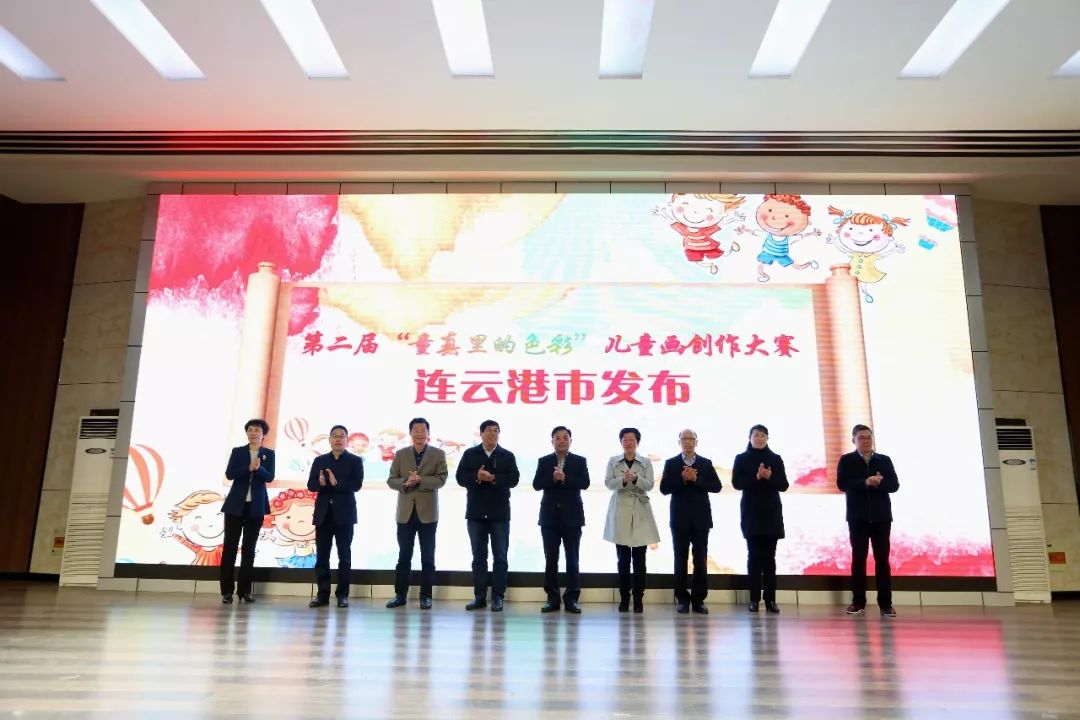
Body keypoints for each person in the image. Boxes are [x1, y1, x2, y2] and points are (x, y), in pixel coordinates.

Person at [455, 420, 520, 612]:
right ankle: (480, 597)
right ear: (481, 433)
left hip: (500, 514)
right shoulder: (470, 454)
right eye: (489, 431)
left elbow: (514, 479)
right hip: (476, 514)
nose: (493, 434)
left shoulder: (507, 455)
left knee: (500, 557)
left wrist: (493, 478)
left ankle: (498, 597)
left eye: (496, 431)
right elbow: (460, 478)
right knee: (478, 557)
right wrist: (477, 477)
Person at [837, 424, 900, 617]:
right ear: (853, 440)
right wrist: (865, 482)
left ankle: (886, 604)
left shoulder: (884, 460)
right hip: (858, 518)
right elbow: (842, 484)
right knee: (858, 560)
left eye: (868, 437)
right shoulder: (846, 460)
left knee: (882, 561)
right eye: (861, 438)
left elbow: (894, 485)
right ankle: (858, 602)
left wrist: (880, 483)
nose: (866, 441)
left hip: (881, 518)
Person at [386, 417, 448, 610]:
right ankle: (400, 595)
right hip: (405, 513)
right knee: (404, 556)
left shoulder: (438, 454)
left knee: (428, 557)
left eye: (423, 430)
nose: (420, 433)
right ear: (410, 433)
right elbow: (391, 480)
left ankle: (426, 596)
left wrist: (421, 480)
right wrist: (405, 483)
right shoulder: (401, 454)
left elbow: (441, 479)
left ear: (428, 433)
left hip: (428, 513)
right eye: (416, 430)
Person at [660, 429, 722, 614]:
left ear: (696, 442)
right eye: (684, 439)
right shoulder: (671, 463)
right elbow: (664, 488)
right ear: (679, 442)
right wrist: (682, 478)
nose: (687, 442)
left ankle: (698, 600)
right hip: (679, 519)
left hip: (701, 519)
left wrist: (696, 479)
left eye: (691, 439)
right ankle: (682, 599)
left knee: (700, 560)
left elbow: (716, 486)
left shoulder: (705, 463)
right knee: (680, 559)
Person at [731, 424, 789, 614]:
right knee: (754, 558)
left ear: (767, 438)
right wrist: (756, 476)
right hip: (752, 514)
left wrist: (770, 476)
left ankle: (771, 600)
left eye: (763, 435)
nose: (759, 438)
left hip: (771, 514)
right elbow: (737, 483)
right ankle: (754, 600)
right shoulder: (741, 458)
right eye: (756, 435)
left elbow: (784, 485)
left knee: (770, 559)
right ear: (750, 438)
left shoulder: (775, 459)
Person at [532, 425, 590, 614]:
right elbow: (536, 484)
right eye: (558, 437)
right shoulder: (544, 461)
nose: (562, 440)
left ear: (570, 441)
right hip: (549, 518)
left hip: (572, 517)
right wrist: (553, 478)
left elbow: (585, 483)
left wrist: (564, 478)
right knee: (551, 559)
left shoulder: (579, 461)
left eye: (565, 437)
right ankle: (552, 598)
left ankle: (572, 598)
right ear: (552, 441)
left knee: (572, 559)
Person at [602, 427, 660, 614]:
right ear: (621, 442)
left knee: (640, 559)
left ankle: (638, 598)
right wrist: (623, 480)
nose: (628, 443)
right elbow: (608, 483)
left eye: (632, 440)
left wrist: (635, 479)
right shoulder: (613, 461)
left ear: (637, 442)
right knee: (623, 559)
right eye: (625, 440)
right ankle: (624, 598)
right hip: (620, 510)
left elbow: (649, 484)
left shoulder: (646, 462)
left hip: (640, 509)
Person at [307, 424, 364, 608]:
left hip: (344, 514)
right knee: (322, 557)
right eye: (335, 436)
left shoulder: (355, 461)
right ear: (330, 440)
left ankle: (342, 595)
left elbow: (356, 485)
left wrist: (335, 483)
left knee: (344, 556)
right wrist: (320, 483)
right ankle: (322, 594)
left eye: (342, 436)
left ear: (347, 440)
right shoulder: (320, 460)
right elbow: (311, 485)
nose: (338, 439)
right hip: (323, 514)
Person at [220, 419, 275, 604]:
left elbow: (270, 477)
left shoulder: (269, 454)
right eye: (250, 430)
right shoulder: (238, 451)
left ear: (263, 434)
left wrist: (258, 470)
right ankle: (227, 591)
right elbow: (230, 474)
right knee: (230, 548)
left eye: (257, 430)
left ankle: (245, 591)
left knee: (249, 549)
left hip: (256, 506)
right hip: (235, 506)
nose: (253, 433)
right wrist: (248, 468)